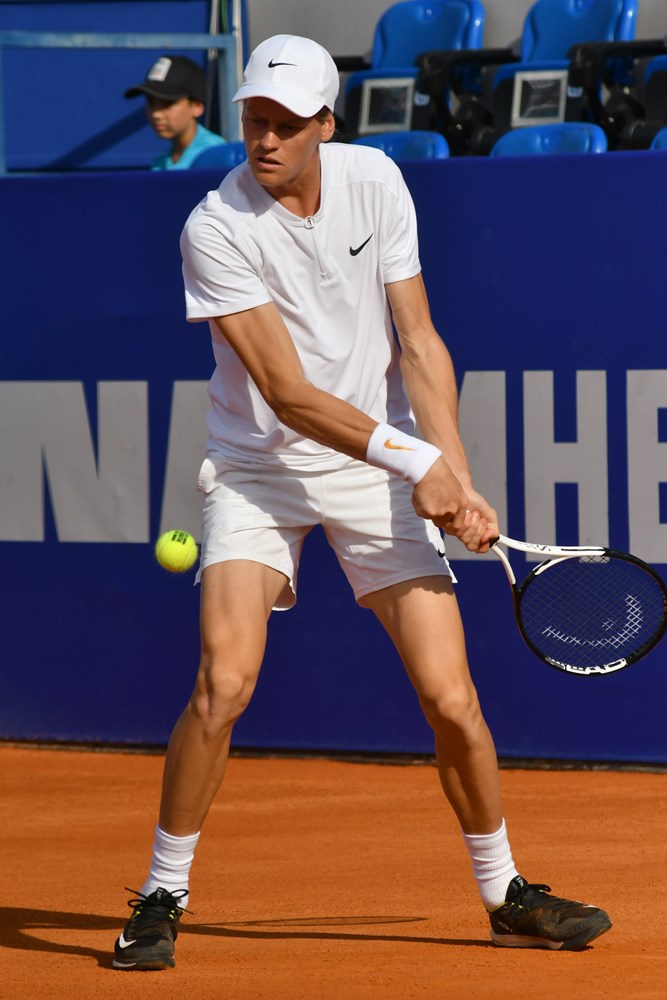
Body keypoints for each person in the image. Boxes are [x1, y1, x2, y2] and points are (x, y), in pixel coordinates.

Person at [112, 34, 612, 971]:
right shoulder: (214, 227)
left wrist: (452, 471)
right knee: (225, 683)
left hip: (376, 470)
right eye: (253, 120)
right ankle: (160, 894)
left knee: (451, 697)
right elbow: (287, 394)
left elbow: (417, 341)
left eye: (285, 123)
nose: (264, 139)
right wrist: (414, 459)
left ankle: (504, 894)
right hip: (258, 469)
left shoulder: (376, 181)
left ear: (325, 125)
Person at [125, 54, 227, 170]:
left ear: (196, 107)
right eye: (151, 102)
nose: (156, 114)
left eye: (167, 103)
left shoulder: (216, 153)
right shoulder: (160, 163)